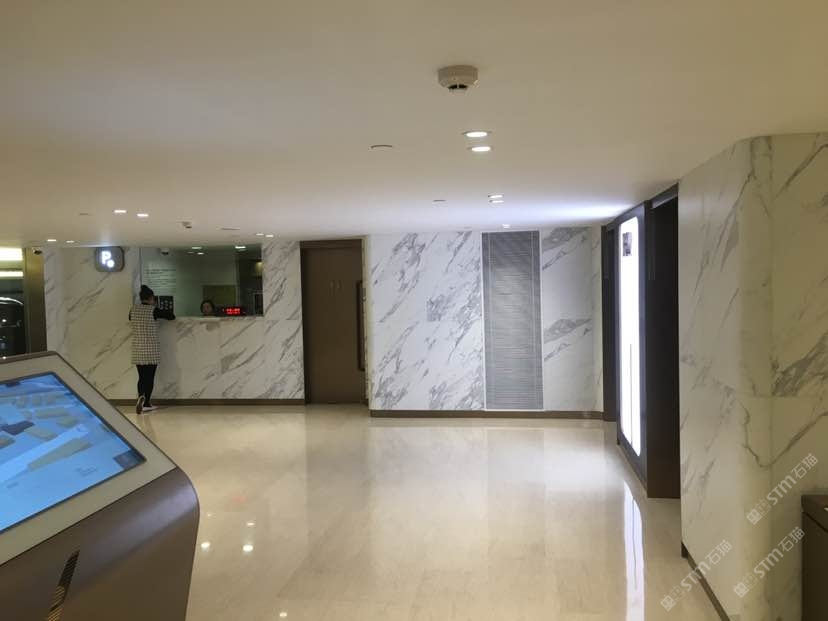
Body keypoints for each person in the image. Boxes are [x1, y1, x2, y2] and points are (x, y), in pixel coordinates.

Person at [130, 285, 175, 414]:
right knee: (150, 377)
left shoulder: (133, 310)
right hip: (150, 349)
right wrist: (156, 306)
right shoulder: (153, 310)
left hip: (138, 349)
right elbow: (171, 316)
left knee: (141, 377)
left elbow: (130, 318)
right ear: (151, 298)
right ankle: (147, 403)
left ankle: (140, 397)